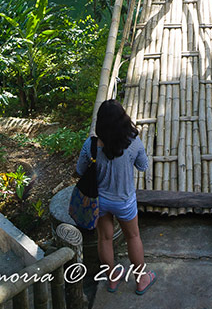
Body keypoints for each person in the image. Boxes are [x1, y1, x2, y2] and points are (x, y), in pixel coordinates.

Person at [76, 100, 156, 295]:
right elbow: (143, 165)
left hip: (100, 200)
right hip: (124, 201)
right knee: (133, 236)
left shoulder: (92, 144)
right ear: (123, 120)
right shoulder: (133, 142)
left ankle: (112, 279)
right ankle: (141, 279)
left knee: (104, 238)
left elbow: (79, 170)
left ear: (101, 123)